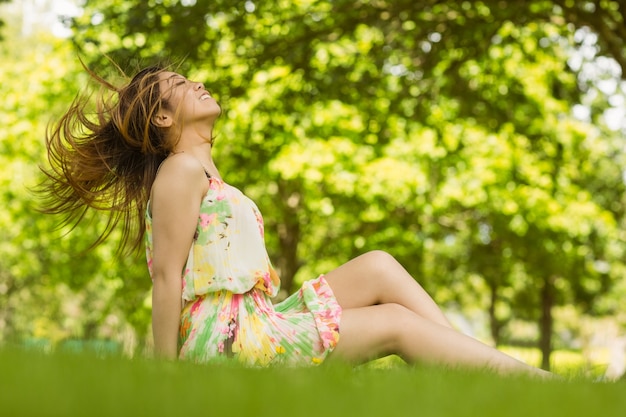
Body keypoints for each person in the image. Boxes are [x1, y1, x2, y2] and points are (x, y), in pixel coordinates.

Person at [41, 64, 551, 377]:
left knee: (377, 265)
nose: (195, 82)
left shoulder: (203, 171)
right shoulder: (179, 171)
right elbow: (166, 276)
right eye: (177, 85)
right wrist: (167, 376)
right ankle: (524, 383)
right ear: (162, 118)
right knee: (395, 323)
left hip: (257, 321)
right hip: (227, 342)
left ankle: (476, 370)